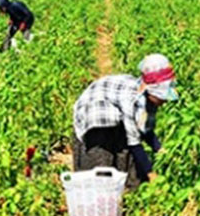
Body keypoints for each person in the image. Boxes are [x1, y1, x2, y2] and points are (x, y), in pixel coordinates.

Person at [72, 54, 178, 188]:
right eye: (163, 97)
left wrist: (160, 149)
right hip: (95, 109)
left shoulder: (148, 99)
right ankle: (100, 184)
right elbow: (134, 142)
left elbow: (145, 129)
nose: (165, 101)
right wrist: (151, 174)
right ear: (152, 92)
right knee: (101, 161)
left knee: (127, 164)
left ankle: (124, 186)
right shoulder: (131, 100)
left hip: (114, 105)